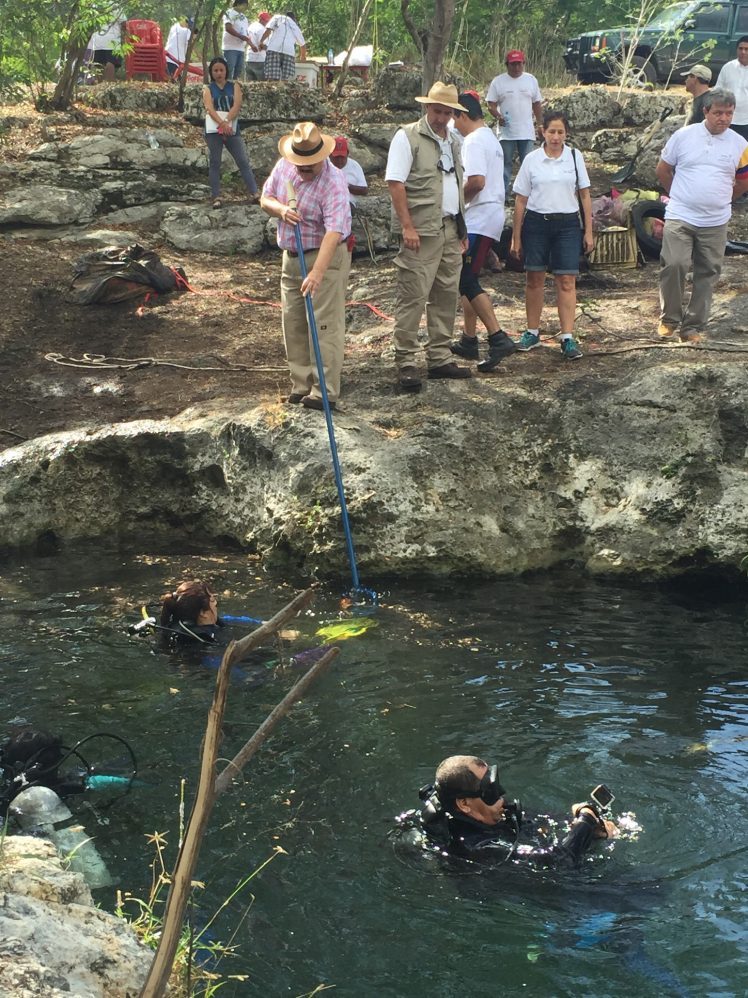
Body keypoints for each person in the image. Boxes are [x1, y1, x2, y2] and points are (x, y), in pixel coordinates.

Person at [386, 81, 471, 393]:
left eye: (447, 112)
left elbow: (458, 185)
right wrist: (407, 226)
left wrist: (462, 229)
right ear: (426, 108)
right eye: (437, 110)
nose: (442, 117)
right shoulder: (406, 137)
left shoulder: (455, 141)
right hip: (420, 231)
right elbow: (395, 183)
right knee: (413, 295)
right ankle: (406, 361)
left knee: (447, 293)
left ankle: (439, 356)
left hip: (450, 228)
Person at [261, 122, 352, 411]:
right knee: (294, 321)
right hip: (291, 254)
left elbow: (335, 231)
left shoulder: (334, 182)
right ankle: (301, 384)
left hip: (324, 255)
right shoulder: (285, 166)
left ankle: (324, 389)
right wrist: (282, 210)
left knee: (323, 324)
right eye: (298, 163)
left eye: (308, 165)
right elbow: (266, 198)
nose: (301, 169)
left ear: (320, 157)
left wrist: (317, 272)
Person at [656, 89, 748, 341]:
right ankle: (670, 318)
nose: (724, 118)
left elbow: (743, 181)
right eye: (718, 113)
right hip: (681, 215)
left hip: (715, 221)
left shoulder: (740, 144)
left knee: (707, 273)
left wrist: (721, 200)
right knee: (674, 264)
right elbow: (663, 170)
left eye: (729, 113)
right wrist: (679, 195)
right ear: (705, 111)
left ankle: (693, 326)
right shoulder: (683, 136)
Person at [419, 755, 617, 866]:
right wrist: (586, 820)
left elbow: (544, 823)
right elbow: (558, 862)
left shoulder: (493, 812)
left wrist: (590, 831)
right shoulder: (475, 846)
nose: (502, 797)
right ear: (464, 804)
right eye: (490, 791)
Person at [510, 110, 593, 361]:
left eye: (561, 132)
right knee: (534, 277)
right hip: (536, 223)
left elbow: (585, 195)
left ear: (566, 134)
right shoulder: (532, 160)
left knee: (566, 280)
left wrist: (588, 230)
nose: (556, 137)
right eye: (551, 132)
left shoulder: (575, 158)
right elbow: (521, 200)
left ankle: (567, 336)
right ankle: (532, 331)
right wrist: (516, 236)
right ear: (542, 132)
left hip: (567, 224)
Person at [449, 92, 516, 372]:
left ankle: (497, 336)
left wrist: (455, 203)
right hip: (489, 214)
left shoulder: (474, 141)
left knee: (465, 279)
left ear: (462, 116)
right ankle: (468, 337)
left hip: (478, 217)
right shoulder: (490, 137)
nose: (452, 125)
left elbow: (476, 181)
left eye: (453, 118)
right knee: (469, 278)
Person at [203, 56, 260, 209]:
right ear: (211, 72)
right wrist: (221, 123)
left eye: (221, 70)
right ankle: (216, 196)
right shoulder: (208, 89)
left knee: (242, 160)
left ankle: (254, 192)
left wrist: (227, 121)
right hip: (214, 130)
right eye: (215, 70)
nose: (219, 73)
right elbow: (209, 107)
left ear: (226, 70)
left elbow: (237, 105)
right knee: (215, 162)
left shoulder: (234, 86)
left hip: (232, 129)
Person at [486, 50, 543, 199]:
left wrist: (540, 124)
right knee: (505, 164)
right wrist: (498, 116)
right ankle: (503, 194)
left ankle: (527, 194)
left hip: (526, 131)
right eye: (513, 64)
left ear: (523, 64)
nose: (516, 67)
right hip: (507, 132)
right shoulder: (498, 82)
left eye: (519, 64)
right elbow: (490, 104)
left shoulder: (530, 80)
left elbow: (537, 103)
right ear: (507, 65)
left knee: (528, 164)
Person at [715, 37, 748, 140]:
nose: (743, 52)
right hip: (727, 120)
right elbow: (717, 91)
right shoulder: (728, 67)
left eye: (747, 49)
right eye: (740, 48)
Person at [260, 10, 306, 81]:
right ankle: (283, 90)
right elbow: (302, 45)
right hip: (289, 52)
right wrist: (302, 57)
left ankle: (272, 90)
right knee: (285, 78)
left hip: (274, 49)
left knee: (272, 76)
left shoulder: (277, 17)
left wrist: (261, 42)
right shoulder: (294, 25)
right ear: (294, 19)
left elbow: (268, 30)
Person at [88, 12, 126, 83]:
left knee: (99, 63)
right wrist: (124, 36)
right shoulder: (116, 7)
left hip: (97, 39)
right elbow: (124, 24)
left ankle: (100, 86)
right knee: (111, 62)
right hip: (112, 40)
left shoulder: (94, 5)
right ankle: (109, 85)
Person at [330, 137, 368, 206]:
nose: (339, 160)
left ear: (347, 154)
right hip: (327, 201)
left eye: (342, 157)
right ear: (330, 155)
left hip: (348, 203)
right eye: (336, 157)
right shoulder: (324, 165)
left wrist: (345, 185)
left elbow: (364, 190)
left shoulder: (355, 166)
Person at [222, 0, 252, 81]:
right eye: (244, 5)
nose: (245, 8)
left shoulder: (244, 17)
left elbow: (245, 33)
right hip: (230, 47)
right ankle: (225, 89)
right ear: (238, 4)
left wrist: (251, 44)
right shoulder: (230, 13)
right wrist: (240, 36)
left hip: (241, 48)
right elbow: (228, 28)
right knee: (229, 69)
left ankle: (235, 89)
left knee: (239, 71)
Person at [245, 10, 271, 81]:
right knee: (261, 85)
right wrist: (270, 49)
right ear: (260, 19)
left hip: (249, 58)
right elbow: (262, 45)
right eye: (265, 21)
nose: (267, 22)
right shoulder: (262, 29)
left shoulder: (251, 26)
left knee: (250, 85)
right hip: (260, 59)